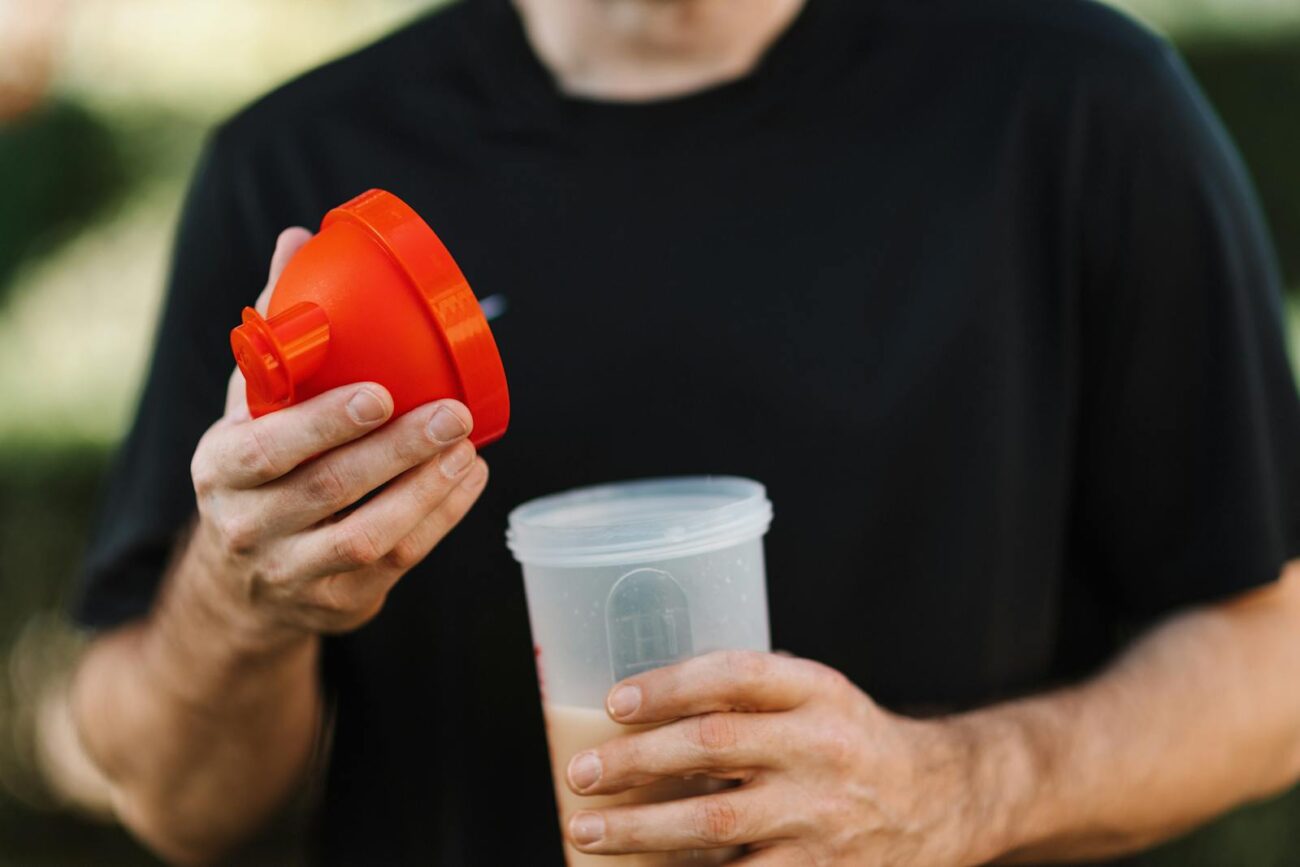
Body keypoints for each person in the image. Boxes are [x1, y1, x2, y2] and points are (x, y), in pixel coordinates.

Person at [69, 0, 1300, 864]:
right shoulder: (300, 167)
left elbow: (1271, 665)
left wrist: (955, 793)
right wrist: (246, 604)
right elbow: (178, 805)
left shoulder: (1080, 103)